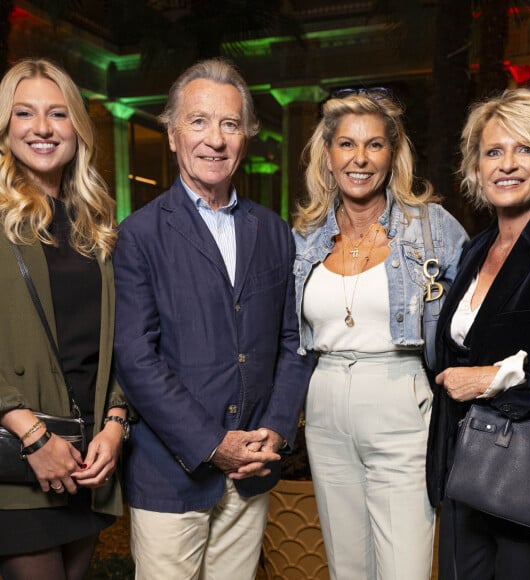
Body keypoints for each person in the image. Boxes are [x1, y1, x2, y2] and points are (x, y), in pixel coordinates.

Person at [113, 58, 312, 580]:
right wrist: (211, 445)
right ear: (173, 134)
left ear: (245, 136)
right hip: (170, 474)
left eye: (229, 124)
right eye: (198, 122)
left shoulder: (273, 231)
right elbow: (135, 358)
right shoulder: (139, 235)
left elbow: (293, 342)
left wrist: (273, 429)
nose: (215, 139)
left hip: (251, 467)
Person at [293, 87, 468, 580]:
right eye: (346, 144)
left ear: (393, 154)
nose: (360, 158)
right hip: (324, 405)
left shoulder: (431, 227)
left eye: (375, 144)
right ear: (327, 156)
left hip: (402, 399)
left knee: (404, 568)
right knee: (348, 568)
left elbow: (478, 316)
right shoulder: (304, 237)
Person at [427, 88, 530, 580]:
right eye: (494, 151)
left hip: (528, 479)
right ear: (476, 168)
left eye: (525, 149)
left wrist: (493, 379)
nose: (507, 165)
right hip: (463, 473)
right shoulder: (476, 248)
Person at [0, 59, 128, 580]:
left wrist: (116, 425)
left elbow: (114, 341)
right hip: (18, 462)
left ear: (77, 125)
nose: (43, 128)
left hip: (83, 461)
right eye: (24, 113)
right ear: (5, 127)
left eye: (58, 113)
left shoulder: (92, 225)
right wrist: (32, 437)